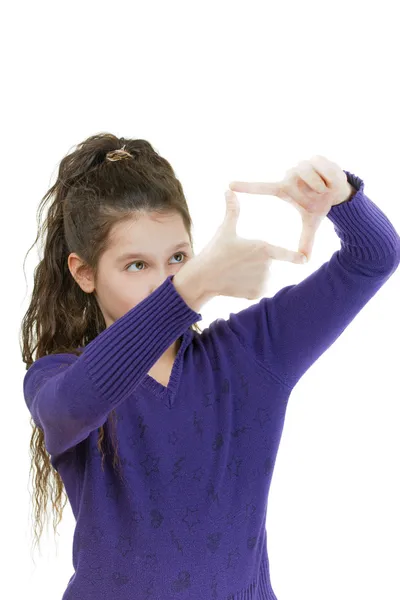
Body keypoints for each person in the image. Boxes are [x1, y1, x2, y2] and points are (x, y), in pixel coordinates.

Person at [21, 133, 400, 600]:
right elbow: (76, 402)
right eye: (136, 265)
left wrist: (340, 197)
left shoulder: (252, 354)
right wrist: (189, 289)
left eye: (179, 258)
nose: (165, 280)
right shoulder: (57, 376)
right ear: (84, 273)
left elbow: (374, 257)